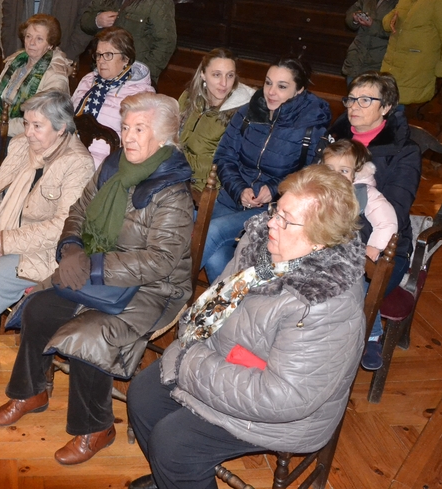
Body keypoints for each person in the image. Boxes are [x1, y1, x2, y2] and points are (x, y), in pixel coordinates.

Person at [127, 165, 366, 489]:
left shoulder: (324, 302)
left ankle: (174, 472)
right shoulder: (261, 246)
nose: (271, 222)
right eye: (276, 210)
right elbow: (215, 302)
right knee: (142, 396)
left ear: (320, 240)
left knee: (174, 446)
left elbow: (284, 397)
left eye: (286, 220)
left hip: (281, 410)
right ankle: (170, 480)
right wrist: (197, 346)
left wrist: (190, 363)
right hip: (224, 361)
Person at [0, 92, 193, 466]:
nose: (128, 136)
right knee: (39, 308)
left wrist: (93, 265)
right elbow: (78, 212)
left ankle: (96, 427)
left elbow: (161, 261)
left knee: (88, 335)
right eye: (126, 127)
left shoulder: (173, 191)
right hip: (97, 269)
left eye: (140, 129)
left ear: (164, 137)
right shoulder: (112, 166)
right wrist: (69, 249)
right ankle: (31, 391)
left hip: (152, 288)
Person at [0, 90, 95, 392]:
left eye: (37, 126)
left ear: (61, 128)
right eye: (26, 123)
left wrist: (7, 241)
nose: (28, 132)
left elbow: (63, 226)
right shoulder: (21, 146)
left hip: (40, 250)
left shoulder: (78, 163)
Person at [201, 57, 330, 283]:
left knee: (212, 232)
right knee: (214, 258)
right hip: (232, 197)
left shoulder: (311, 127)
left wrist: (274, 189)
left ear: (299, 90)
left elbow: (309, 176)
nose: (271, 92)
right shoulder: (248, 112)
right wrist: (239, 189)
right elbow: (224, 156)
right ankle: (227, 302)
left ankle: (170, 290)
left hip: (270, 211)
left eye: (282, 86)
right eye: (268, 83)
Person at [323, 72, 420, 371]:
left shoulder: (405, 151)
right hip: (327, 236)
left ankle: (368, 339)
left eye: (365, 100)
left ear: (386, 107)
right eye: (351, 99)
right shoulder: (333, 139)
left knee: (344, 295)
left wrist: (340, 232)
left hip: (382, 247)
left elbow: (395, 213)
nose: (354, 106)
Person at [71, 27, 154, 169]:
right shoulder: (88, 80)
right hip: (70, 152)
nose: (101, 61)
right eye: (98, 55)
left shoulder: (141, 95)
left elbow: (139, 145)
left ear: (126, 58)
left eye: (108, 55)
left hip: (105, 165)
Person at [178, 48, 255, 196]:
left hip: (205, 188)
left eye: (230, 75)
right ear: (203, 74)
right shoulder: (189, 98)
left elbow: (221, 164)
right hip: (175, 176)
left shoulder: (241, 114)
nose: (224, 83)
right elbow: (169, 134)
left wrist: (173, 158)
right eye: (216, 75)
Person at [0, 14, 72, 138]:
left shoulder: (55, 75)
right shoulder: (16, 61)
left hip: (28, 137)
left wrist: (1, 126)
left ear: (50, 44)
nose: (31, 43)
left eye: (39, 39)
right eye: (28, 36)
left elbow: (41, 119)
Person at [321, 139, 397, 261]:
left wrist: (374, 247)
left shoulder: (366, 194)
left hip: (348, 255)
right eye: (329, 169)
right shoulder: (318, 189)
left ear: (358, 172)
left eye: (344, 171)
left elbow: (386, 222)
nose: (335, 175)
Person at [342, 0, 411, 81]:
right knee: (353, 90)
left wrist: (372, 24)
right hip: (357, 56)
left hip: (381, 60)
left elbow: (399, 29)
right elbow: (352, 12)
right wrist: (355, 18)